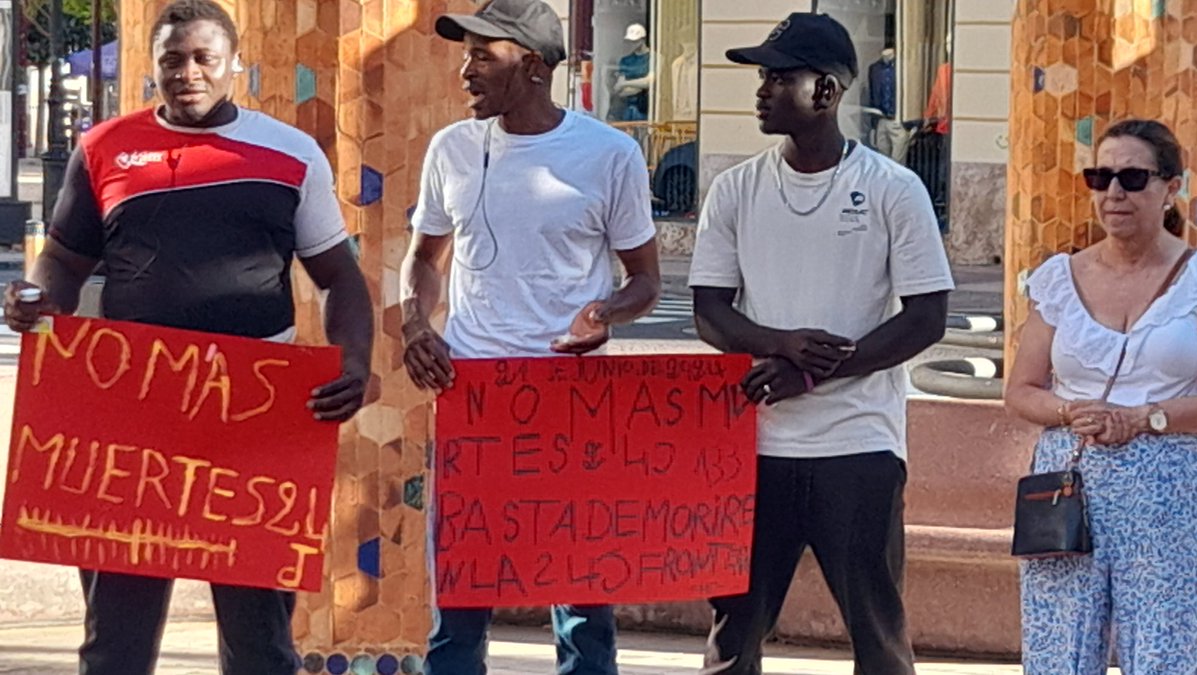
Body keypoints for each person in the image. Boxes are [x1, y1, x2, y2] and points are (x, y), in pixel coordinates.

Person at [2, 1, 374, 673]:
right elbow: (62, 259)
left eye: (205, 58)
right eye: (173, 60)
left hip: (251, 422)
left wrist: (354, 360)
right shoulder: (104, 149)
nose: (189, 73)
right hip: (132, 423)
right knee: (115, 637)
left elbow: (339, 278)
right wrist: (38, 298)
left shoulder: (290, 155)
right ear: (154, 69)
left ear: (234, 63)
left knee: (260, 640)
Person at [399, 0, 661, 673]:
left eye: (484, 55)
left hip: (567, 396)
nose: (466, 69)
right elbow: (427, 259)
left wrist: (601, 314)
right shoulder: (451, 148)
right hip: (472, 395)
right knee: (458, 603)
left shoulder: (609, 154)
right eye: (467, 53)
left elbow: (645, 282)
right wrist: (414, 322)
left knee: (582, 610)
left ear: (535, 66)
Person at [689, 13, 954, 675]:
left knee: (878, 638)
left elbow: (926, 318)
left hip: (859, 448)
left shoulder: (896, 189)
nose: (762, 89)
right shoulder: (735, 189)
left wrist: (809, 374)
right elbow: (709, 310)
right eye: (761, 76)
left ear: (827, 92)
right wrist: (778, 344)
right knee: (732, 639)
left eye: (779, 77)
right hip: (754, 451)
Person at [1005, 119, 1197, 672]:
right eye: (1102, 176)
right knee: (1057, 648)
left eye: (1133, 178)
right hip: (1069, 484)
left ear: (1171, 188)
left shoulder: (1196, 280)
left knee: (1167, 648)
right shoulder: (1058, 278)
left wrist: (1145, 418)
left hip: (1171, 490)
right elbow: (1020, 389)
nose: (1114, 193)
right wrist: (1071, 410)